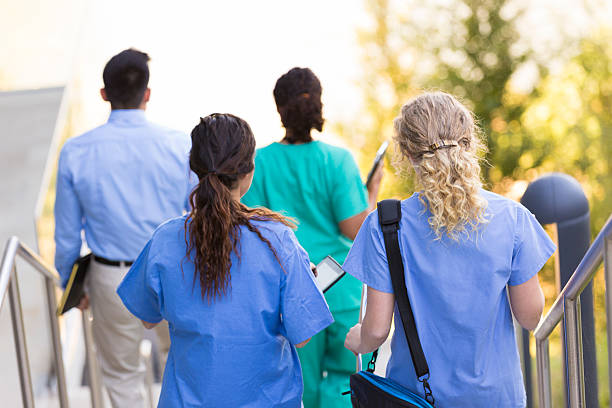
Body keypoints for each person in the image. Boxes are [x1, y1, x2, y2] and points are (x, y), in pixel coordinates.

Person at [343, 92, 556, 407]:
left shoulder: (385, 224)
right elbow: (530, 316)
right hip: (496, 398)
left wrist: (356, 338)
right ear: (468, 142)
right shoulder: (512, 218)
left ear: (408, 154)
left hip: (415, 398)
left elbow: (375, 330)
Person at [116, 113, 334, 407]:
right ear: (249, 171)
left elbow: (146, 318)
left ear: (195, 168)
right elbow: (303, 337)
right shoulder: (277, 240)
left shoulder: (165, 240)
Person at [54, 48, 193, 407]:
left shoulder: (76, 151)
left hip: (110, 279)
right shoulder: (179, 145)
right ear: (148, 94)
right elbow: (199, 211)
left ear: (104, 94)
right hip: (174, 270)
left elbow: (68, 234)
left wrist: (69, 281)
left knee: (121, 377)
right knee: (188, 367)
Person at [242, 67, 383, 408]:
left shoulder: (258, 163)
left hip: (289, 293)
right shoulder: (338, 161)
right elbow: (356, 229)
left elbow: (252, 231)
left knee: (299, 382)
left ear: (280, 110)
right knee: (345, 381)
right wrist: (372, 195)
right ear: (319, 106)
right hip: (341, 290)